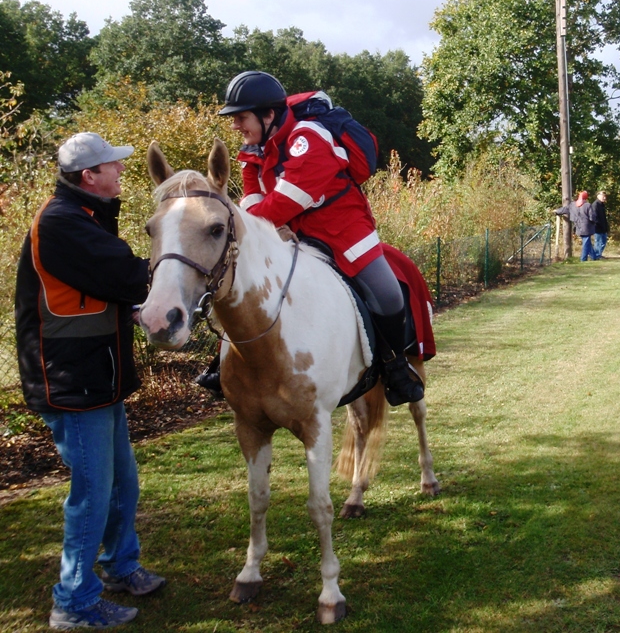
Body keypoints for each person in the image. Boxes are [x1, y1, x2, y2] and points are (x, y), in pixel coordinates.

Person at [15, 132, 166, 629]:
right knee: (91, 495)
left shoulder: (85, 219)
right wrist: (183, 267)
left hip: (98, 377)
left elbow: (110, 291)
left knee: (123, 484)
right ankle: (73, 602)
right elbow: (125, 276)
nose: (121, 173)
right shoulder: (62, 224)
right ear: (90, 177)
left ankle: (121, 568)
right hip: (73, 383)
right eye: (114, 167)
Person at [215, 70, 423, 406]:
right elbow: (252, 196)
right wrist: (251, 224)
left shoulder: (308, 139)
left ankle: (395, 367)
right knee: (241, 284)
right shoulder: (254, 147)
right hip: (289, 235)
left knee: (388, 295)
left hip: (344, 233)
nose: (236, 126)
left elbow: (282, 204)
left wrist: (249, 225)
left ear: (269, 115)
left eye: (241, 117)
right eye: (234, 119)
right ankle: (223, 364)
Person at [555, 190, 597, 261]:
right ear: (586, 198)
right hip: (587, 227)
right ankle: (583, 259)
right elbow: (592, 217)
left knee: (587, 242)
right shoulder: (587, 205)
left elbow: (564, 209)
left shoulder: (572, 205)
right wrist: (595, 221)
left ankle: (594, 257)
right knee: (586, 242)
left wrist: (556, 211)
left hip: (577, 226)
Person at [591, 191, 609, 260]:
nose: (604, 198)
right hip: (597, 228)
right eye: (603, 196)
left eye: (605, 196)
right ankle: (596, 255)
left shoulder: (602, 205)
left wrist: (606, 226)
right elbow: (595, 217)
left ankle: (598, 254)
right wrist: (598, 224)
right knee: (598, 242)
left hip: (603, 227)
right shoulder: (595, 205)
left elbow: (603, 218)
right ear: (598, 196)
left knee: (603, 241)